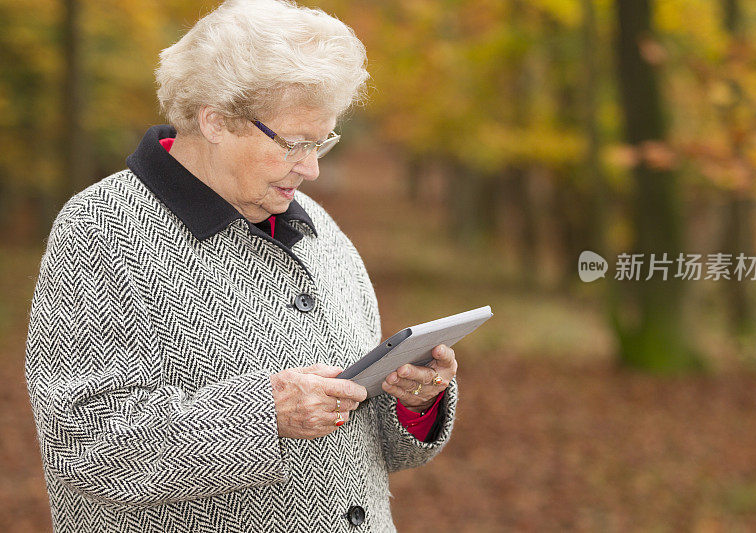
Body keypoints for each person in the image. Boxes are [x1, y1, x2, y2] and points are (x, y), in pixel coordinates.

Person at [24, 1, 459, 531]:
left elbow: (373, 453)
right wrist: (264, 416)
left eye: (323, 142)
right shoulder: (102, 229)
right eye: (296, 143)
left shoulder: (317, 225)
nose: (313, 168)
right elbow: (82, 450)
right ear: (215, 120)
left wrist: (412, 401)